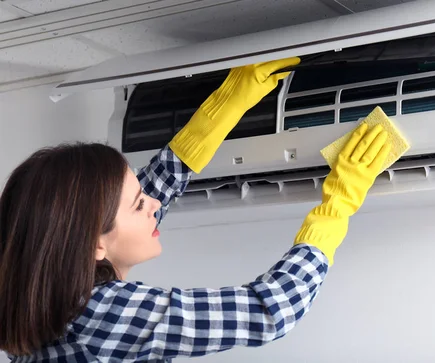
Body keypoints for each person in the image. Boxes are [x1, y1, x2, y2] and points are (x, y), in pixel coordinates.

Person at [0, 57, 391, 362]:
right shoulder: (99, 318)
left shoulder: (51, 307)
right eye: (139, 205)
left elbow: (147, 193)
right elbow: (269, 309)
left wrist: (227, 105)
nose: (154, 204)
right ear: (93, 245)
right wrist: (339, 200)